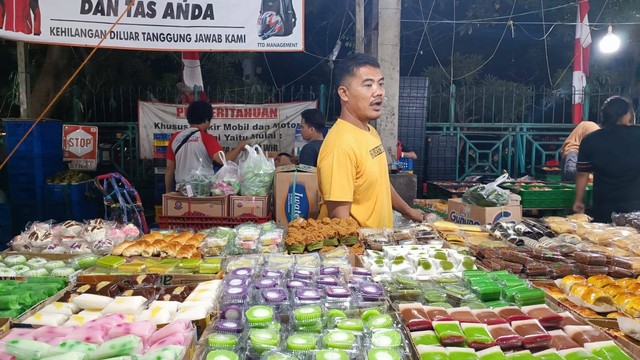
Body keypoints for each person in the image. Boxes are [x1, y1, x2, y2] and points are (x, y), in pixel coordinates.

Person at [316, 53, 425, 228]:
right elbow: (339, 221)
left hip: (379, 245)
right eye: (368, 85)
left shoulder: (371, 132)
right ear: (344, 93)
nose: (379, 92)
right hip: (361, 249)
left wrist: (408, 211)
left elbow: (380, 183)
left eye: (380, 84)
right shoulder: (340, 145)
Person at [574, 96, 640, 222]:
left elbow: (582, 173)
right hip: (636, 207)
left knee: (605, 240)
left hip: (604, 207)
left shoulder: (590, 140)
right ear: (627, 114)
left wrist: (578, 200)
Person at [165, 101, 248, 192]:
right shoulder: (206, 138)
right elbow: (224, 160)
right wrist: (239, 147)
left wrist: (168, 193)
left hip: (181, 190)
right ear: (206, 119)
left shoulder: (175, 138)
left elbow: (169, 168)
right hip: (202, 191)